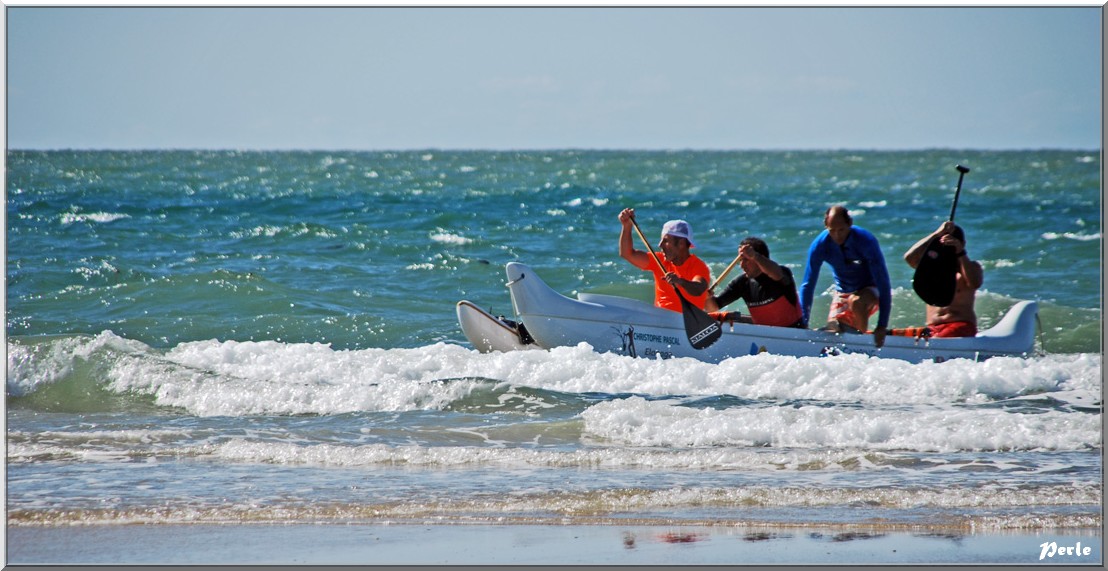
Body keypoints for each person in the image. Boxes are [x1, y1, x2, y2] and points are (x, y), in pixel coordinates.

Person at [799, 205, 892, 348]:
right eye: (832, 231)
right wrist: (803, 322)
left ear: (850, 223)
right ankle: (851, 344)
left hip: (871, 289)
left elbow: (883, 282)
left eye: (841, 230)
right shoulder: (820, 245)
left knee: (856, 302)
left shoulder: (865, 241)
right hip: (843, 290)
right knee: (833, 328)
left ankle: (862, 346)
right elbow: (808, 285)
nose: (837, 236)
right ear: (826, 226)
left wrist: (882, 326)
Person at [900, 221, 983, 337]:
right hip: (932, 328)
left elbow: (974, 283)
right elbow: (909, 258)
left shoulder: (970, 267)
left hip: (960, 326)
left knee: (934, 341)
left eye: (953, 244)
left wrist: (960, 252)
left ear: (963, 244)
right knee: (882, 336)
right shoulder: (932, 267)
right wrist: (936, 234)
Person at [618, 208, 710, 312]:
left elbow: (699, 288)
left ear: (681, 243)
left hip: (685, 321)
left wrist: (680, 281)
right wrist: (626, 226)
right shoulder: (659, 260)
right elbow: (627, 254)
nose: (660, 244)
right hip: (660, 318)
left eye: (665, 241)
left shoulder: (698, 266)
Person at [704, 237, 804, 328]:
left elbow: (777, 273)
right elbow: (713, 307)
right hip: (765, 334)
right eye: (740, 260)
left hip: (794, 331)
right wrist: (707, 296)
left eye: (746, 260)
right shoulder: (742, 283)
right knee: (715, 319)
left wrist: (755, 256)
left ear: (760, 257)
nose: (742, 265)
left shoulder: (780, 273)